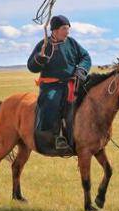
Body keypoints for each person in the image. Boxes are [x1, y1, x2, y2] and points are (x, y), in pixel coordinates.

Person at [27, 15, 91, 151]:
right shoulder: (44, 45)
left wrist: (81, 70)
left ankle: (90, 132)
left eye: (68, 28)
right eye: (64, 29)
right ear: (54, 31)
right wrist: (39, 59)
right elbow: (31, 66)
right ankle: (55, 137)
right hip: (52, 85)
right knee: (51, 101)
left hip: (73, 83)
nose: (67, 32)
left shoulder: (72, 42)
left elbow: (85, 57)